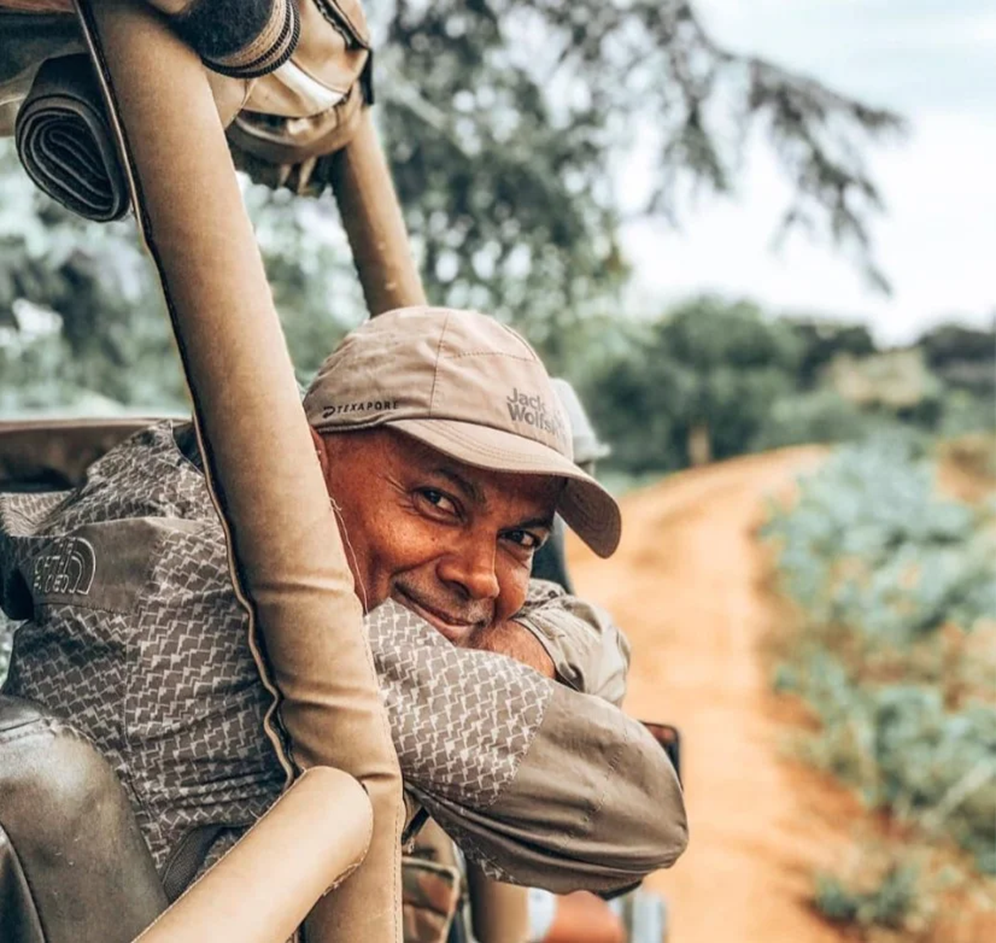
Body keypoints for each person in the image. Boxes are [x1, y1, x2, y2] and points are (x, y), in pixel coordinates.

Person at [0, 307, 686, 910]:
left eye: (520, 538)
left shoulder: (157, 484)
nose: (481, 578)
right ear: (306, 457)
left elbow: (578, 620)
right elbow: (642, 812)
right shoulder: (293, 616)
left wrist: (524, 646)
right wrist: (502, 662)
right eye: (437, 499)